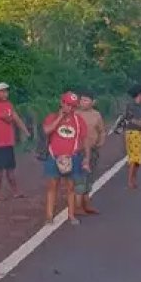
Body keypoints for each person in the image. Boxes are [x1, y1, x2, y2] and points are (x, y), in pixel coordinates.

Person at [42, 92, 90, 225]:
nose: (70, 108)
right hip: (54, 157)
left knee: (70, 187)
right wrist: (59, 118)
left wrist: (86, 158)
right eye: (67, 104)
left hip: (72, 157)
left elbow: (84, 140)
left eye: (73, 106)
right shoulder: (52, 117)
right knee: (52, 186)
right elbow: (47, 131)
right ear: (62, 103)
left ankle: (71, 215)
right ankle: (49, 216)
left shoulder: (79, 121)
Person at [0, 82, 30, 200]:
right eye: (2, 91)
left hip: (8, 142)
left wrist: (26, 131)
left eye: (6, 91)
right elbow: (8, 118)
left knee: (10, 168)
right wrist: (11, 117)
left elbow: (15, 118)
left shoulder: (8, 104)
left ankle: (15, 191)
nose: (5, 93)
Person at [76, 93, 106, 215]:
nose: (83, 102)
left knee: (90, 177)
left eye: (86, 100)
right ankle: (78, 206)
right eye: (81, 100)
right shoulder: (75, 114)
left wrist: (100, 142)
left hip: (93, 150)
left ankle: (86, 203)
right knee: (80, 178)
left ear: (93, 102)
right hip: (78, 151)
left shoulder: (96, 115)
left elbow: (102, 131)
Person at [123, 84, 141, 190]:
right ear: (140, 94)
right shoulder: (131, 106)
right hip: (132, 133)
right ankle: (130, 180)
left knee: (138, 159)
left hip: (139, 134)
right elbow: (129, 118)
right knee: (134, 158)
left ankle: (134, 178)